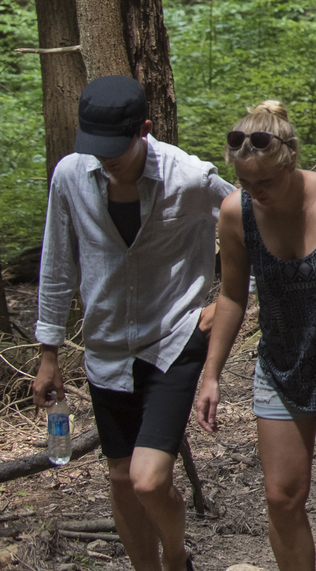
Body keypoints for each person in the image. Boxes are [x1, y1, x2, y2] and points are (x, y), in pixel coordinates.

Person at [34, 76, 233, 571]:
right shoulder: (70, 176)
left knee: (148, 479)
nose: (104, 159)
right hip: (104, 350)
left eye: (114, 149)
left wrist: (234, 297)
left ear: (144, 130)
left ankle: (176, 557)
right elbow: (58, 263)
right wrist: (48, 352)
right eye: (94, 149)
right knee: (121, 479)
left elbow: (249, 223)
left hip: (172, 338)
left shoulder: (189, 177)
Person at [196, 102, 316, 571]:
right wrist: (211, 374)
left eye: (266, 182)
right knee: (282, 498)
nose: (256, 192)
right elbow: (234, 298)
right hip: (283, 369)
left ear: (291, 161)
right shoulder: (235, 213)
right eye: (246, 183)